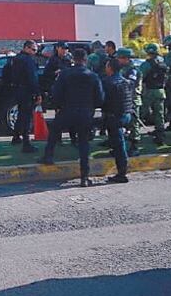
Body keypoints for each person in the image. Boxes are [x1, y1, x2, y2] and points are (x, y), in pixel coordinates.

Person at [38, 48, 103, 187]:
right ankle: (84, 177)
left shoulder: (65, 74)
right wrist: (91, 108)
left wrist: (58, 105)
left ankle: (48, 156)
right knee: (84, 143)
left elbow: (56, 93)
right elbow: (100, 97)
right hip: (85, 112)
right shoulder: (92, 76)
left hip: (67, 110)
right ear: (85, 60)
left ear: (73, 59)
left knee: (54, 132)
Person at [104, 51, 138, 184]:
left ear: (110, 68)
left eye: (107, 66)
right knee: (118, 143)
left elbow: (102, 99)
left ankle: (122, 174)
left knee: (119, 145)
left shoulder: (108, 82)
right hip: (127, 115)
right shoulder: (125, 81)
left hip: (115, 117)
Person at [10, 40, 41, 153]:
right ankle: (26, 143)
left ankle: (16, 137)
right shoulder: (28, 61)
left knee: (21, 114)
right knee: (27, 117)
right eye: (33, 50)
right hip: (27, 91)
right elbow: (32, 78)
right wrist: (37, 93)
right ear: (27, 48)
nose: (34, 52)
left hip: (18, 90)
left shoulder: (16, 59)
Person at [139, 43, 167, 145]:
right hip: (160, 91)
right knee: (159, 114)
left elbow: (140, 76)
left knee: (142, 112)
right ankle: (160, 134)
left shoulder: (146, 64)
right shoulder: (163, 62)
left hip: (149, 91)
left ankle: (134, 134)